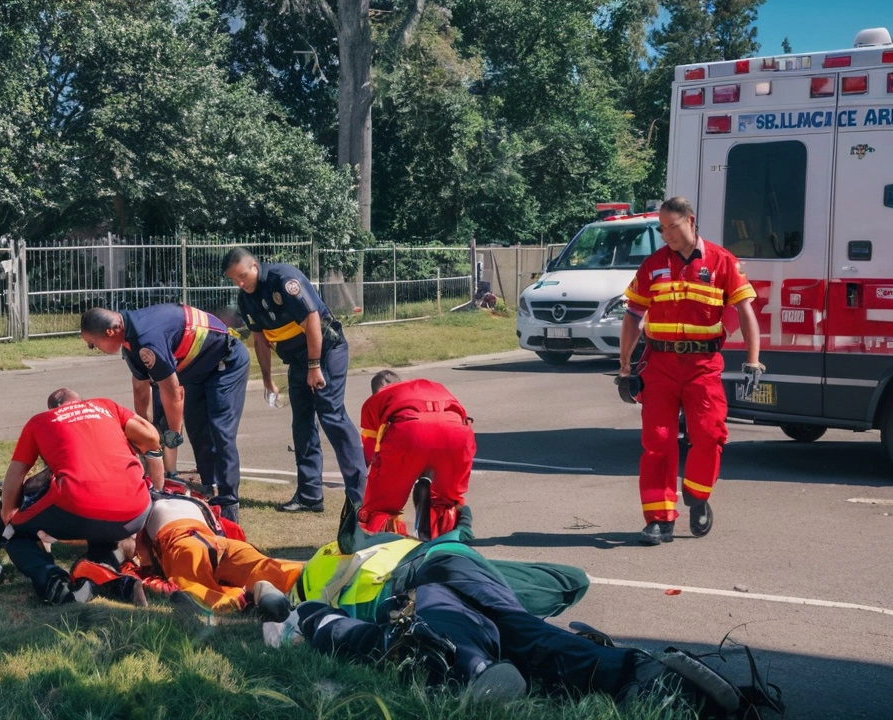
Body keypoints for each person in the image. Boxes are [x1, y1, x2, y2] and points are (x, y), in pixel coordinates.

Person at [265, 505, 754, 716]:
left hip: (421, 580)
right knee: (523, 631)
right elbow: (569, 581)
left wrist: (284, 611)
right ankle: (642, 675)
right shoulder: (423, 541)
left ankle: (466, 665)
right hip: (459, 568)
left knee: (444, 619)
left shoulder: (318, 575)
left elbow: (295, 607)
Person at [618, 196, 762, 546]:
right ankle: (659, 520)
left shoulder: (722, 261)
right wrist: (624, 367)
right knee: (658, 442)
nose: (667, 234)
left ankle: (697, 496)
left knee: (710, 434)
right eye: (662, 228)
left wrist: (753, 359)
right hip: (660, 366)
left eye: (673, 226)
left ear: (691, 221)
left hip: (703, 367)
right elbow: (633, 317)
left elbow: (745, 312)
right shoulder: (652, 265)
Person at [222, 247, 366, 513]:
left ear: (254, 265)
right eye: (234, 280)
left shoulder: (283, 279)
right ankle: (310, 495)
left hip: (326, 351)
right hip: (298, 360)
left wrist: (314, 366)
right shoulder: (246, 299)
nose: (240, 283)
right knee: (302, 423)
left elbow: (312, 319)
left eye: (243, 276)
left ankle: (361, 496)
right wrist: (267, 380)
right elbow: (260, 341)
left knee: (331, 415)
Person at [80, 304, 250, 521]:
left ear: (110, 332)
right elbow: (141, 391)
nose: (95, 348)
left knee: (220, 429)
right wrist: (144, 431)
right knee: (198, 429)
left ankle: (228, 501)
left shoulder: (147, 339)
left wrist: (172, 432)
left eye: (93, 344)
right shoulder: (131, 343)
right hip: (196, 369)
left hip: (226, 362)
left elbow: (171, 392)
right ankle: (210, 487)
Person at [0, 388, 165, 605]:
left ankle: (53, 582)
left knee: (14, 534)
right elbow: (151, 436)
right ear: (80, 401)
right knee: (103, 535)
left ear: (53, 409)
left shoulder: (40, 421)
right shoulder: (106, 406)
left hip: (79, 504)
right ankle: (111, 579)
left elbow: (15, 475)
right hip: (135, 510)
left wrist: (7, 514)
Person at [136, 491, 300, 616]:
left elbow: (135, 557)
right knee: (266, 566)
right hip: (213, 541)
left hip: (184, 542)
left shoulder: (144, 509)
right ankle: (302, 578)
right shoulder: (188, 501)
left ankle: (245, 599)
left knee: (198, 589)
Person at [357, 370, 475, 539]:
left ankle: (383, 541)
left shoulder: (375, 401)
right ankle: (448, 537)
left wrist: (359, 479)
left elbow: (369, 451)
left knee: (382, 504)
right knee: (446, 499)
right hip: (457, 434)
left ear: (376, 391)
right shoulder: (432, 387)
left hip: (409, 434)